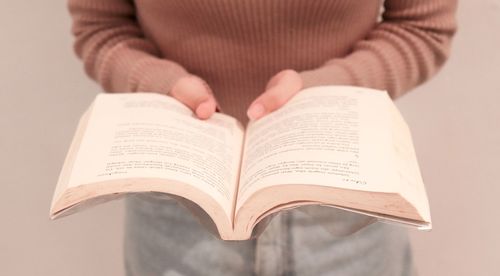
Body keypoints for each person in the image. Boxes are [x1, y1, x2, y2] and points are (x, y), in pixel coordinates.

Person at [67, 0, 457, 275]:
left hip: (343, 190)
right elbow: (102, 30)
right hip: (178, 191)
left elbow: (422, 26)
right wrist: (162, 85)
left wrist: (319, 89)